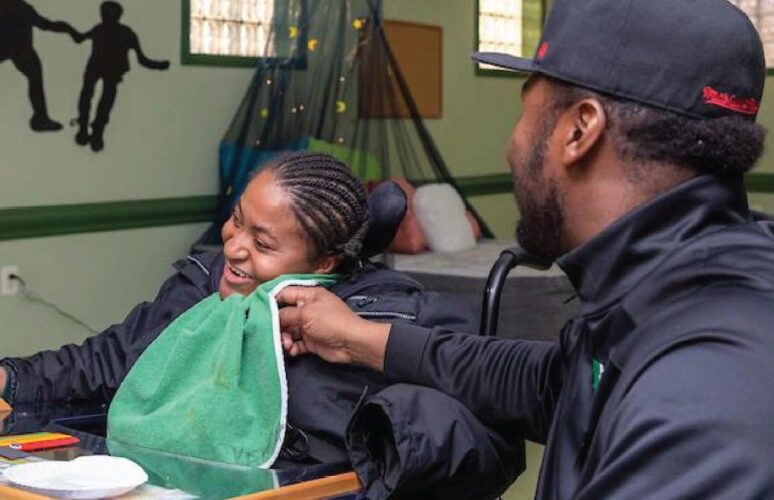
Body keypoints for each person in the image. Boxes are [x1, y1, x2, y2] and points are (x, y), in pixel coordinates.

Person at [277, 0, 774, 498]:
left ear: (579, 130)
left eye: (525, 111)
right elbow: (545, 383)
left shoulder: (707, 380)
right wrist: (355, 337)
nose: (511, 146)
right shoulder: (667, 293)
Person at [0, 152, 522, 498]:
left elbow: (482, 433)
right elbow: (110, 360)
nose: (232, 246)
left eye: (263, 243)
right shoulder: (204, 284)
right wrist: (10, 378)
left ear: (323, 264)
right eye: (236, 219)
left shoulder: (384, 317)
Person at [74, 1, 170, 152]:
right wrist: (159, 65)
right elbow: (143, 60)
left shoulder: (115, 32)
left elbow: (79, 38)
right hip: (103, 69)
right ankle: (87, 128)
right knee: (94, 95)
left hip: (107, 70)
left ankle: (93, 130)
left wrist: (159, 65)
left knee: (98, 97)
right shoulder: (114, 31)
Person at [0, 0, 81, 131]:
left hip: (19, 49)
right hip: (19, 49)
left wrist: (70, 31)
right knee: (35, 76)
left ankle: (41, 118)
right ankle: (41, 118)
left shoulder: (22, 8)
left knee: (35, 75)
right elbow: (47, 25)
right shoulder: (22, 8)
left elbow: (47, 25)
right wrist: (71, 31)